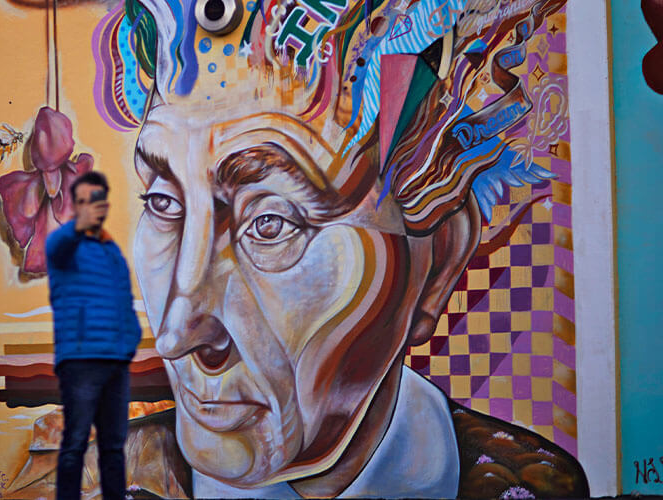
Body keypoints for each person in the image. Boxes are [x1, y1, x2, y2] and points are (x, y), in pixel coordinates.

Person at [91, 0, 588, 497]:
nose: (177, 333)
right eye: (163, 203)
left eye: (269, 223)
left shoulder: (542, 485)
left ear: (437, 265)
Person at [44, 171, 142, 500]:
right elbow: (55, 246)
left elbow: (123, 301)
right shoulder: (64, 244)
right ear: (75, 205)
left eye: (95, 200)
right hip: (81, 361)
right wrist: (77, 224)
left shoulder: (111, 251)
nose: (89, 207)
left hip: (116, 361)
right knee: (75, 442)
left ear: (105, 204)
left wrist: (130, 342)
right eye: (82, 201)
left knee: (114, 448)